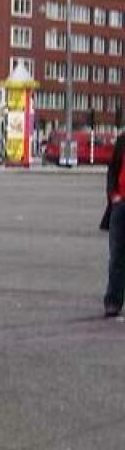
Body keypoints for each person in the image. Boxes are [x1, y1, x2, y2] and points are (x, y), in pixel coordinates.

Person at [103, 134, 125, 316]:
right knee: (117, 255)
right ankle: (113, 301)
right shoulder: (122, 140)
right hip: (121, 204)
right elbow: (112, 170)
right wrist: (113, 195)